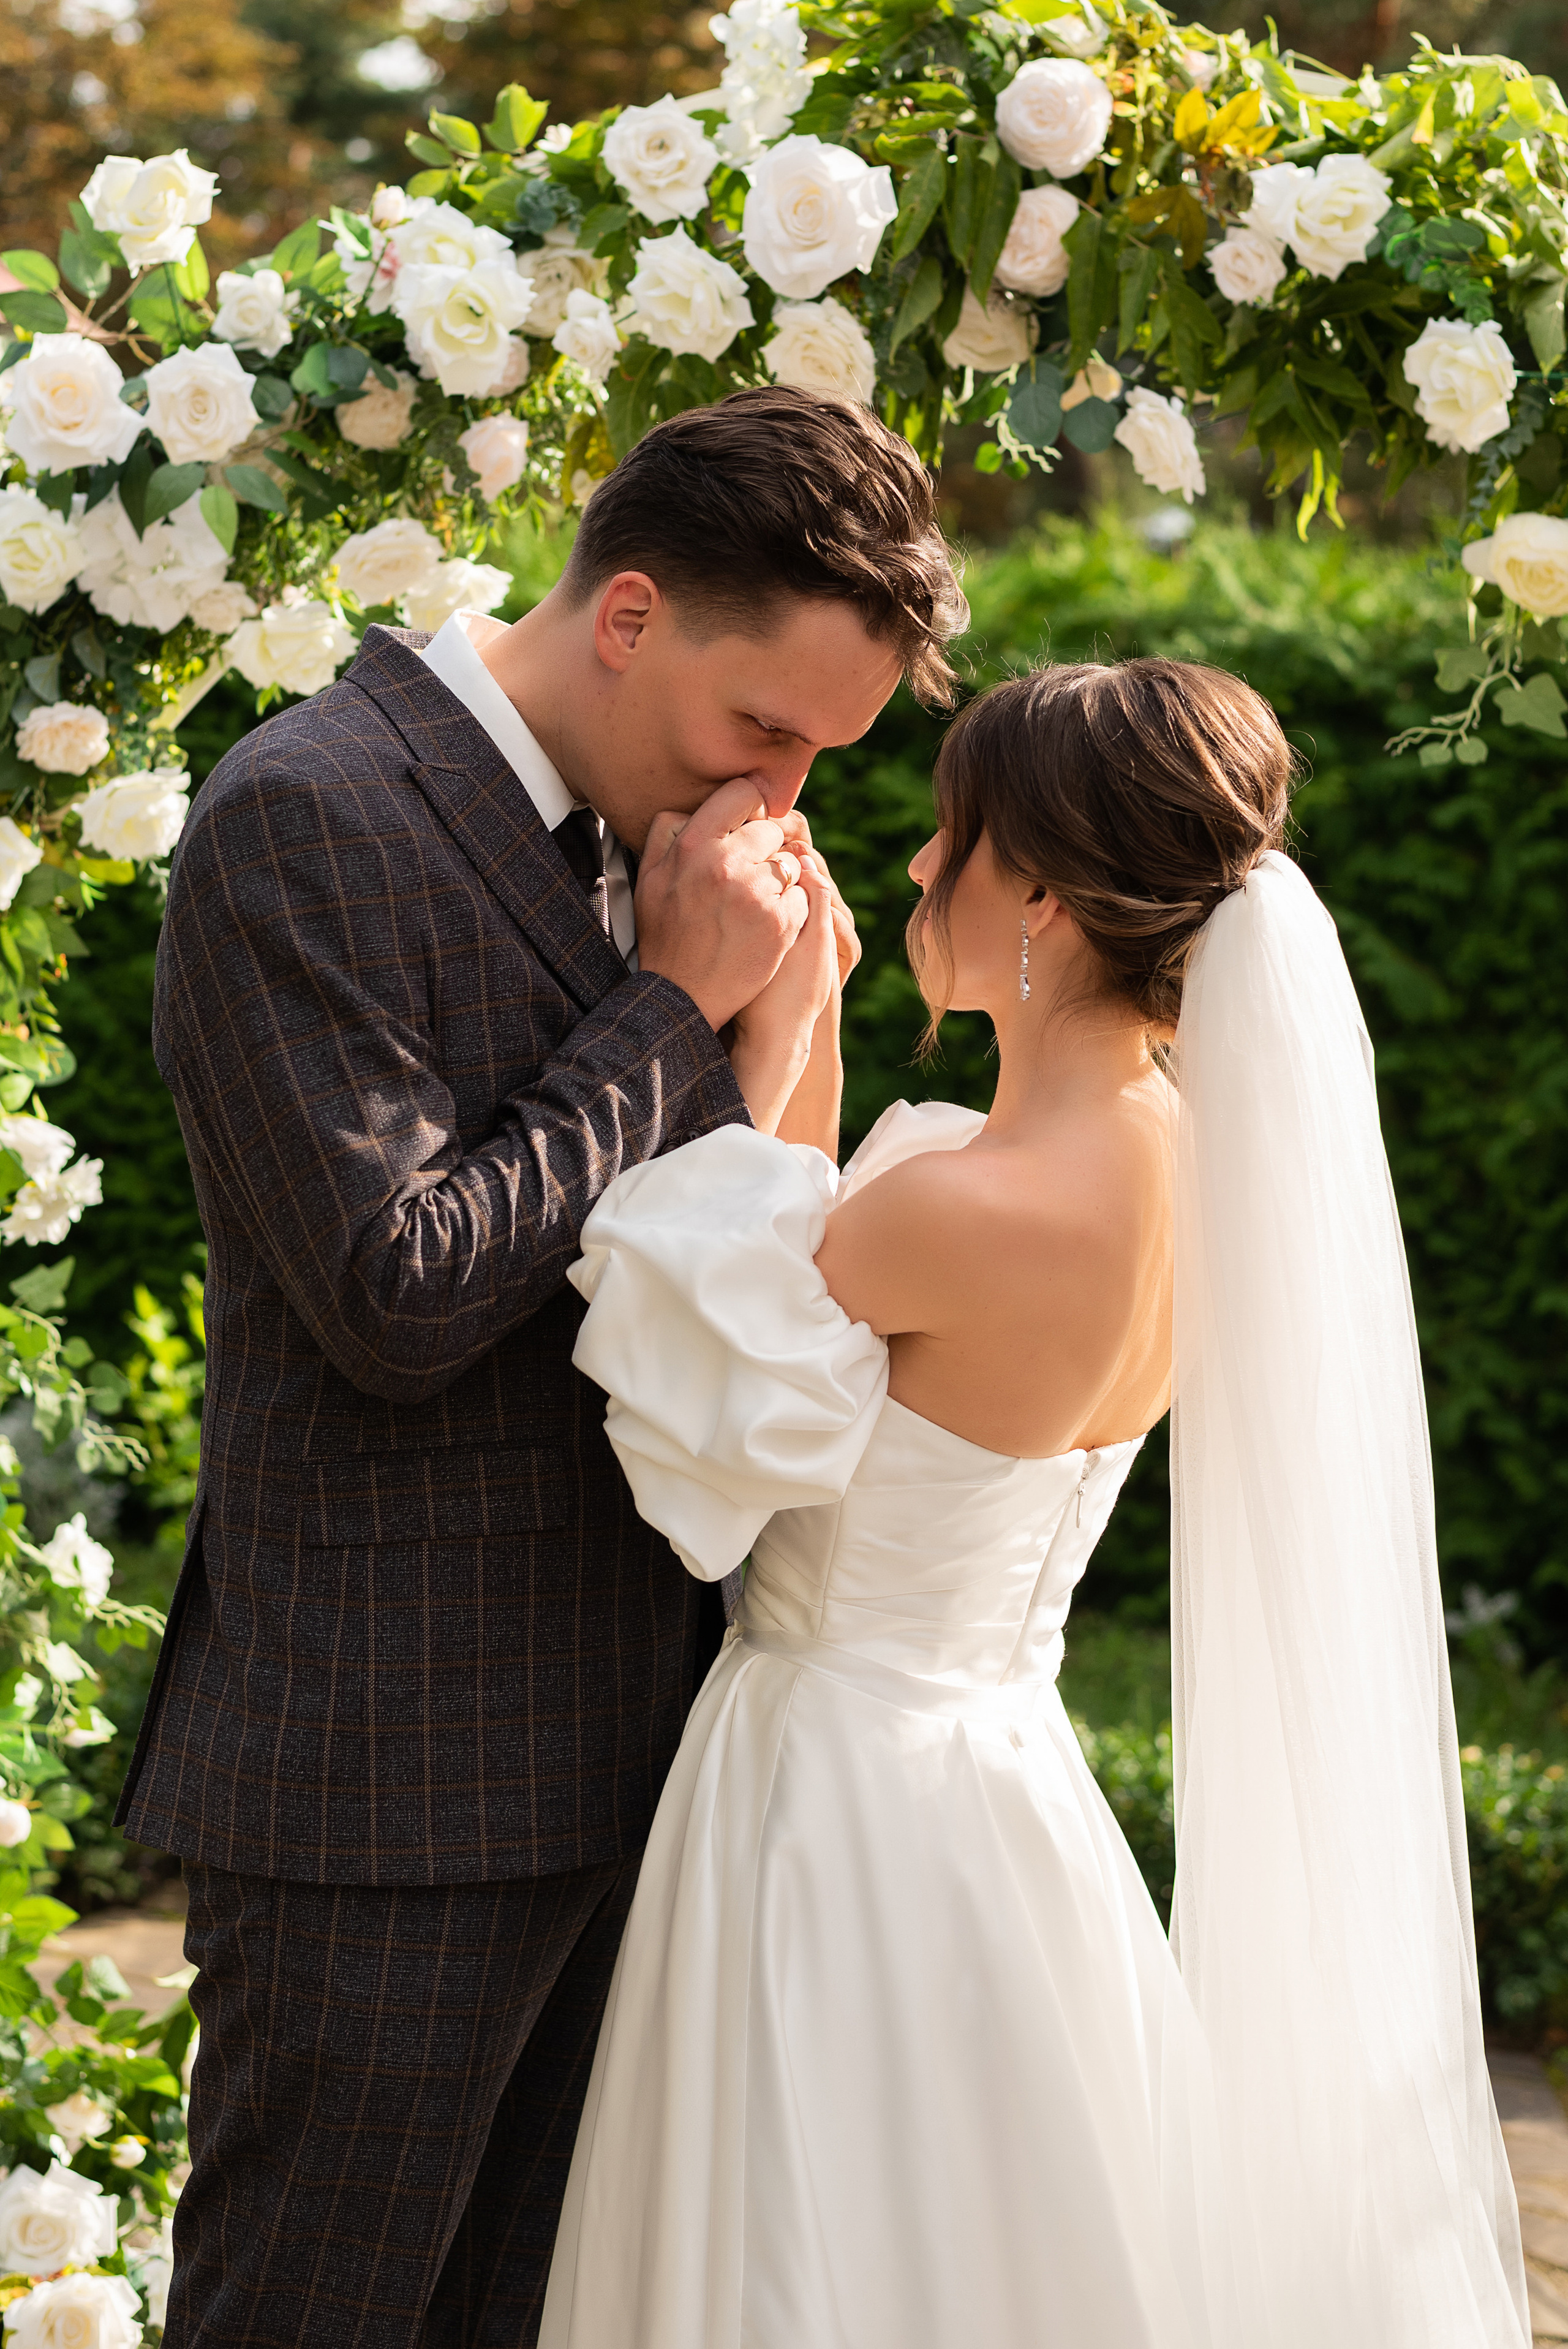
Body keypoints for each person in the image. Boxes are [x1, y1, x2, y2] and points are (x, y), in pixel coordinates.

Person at [113, 387, 968, 2347]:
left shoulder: (684, 847)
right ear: (633, 614)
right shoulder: (303, 814)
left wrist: (773, 1030)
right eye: (767, 731)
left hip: (645, 1767)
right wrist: (674, 1002)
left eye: (826, 759)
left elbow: (724, 1277)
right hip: (384, 1788)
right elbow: (395, 1288)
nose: (782, 801)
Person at [541, 657, 1530, 2348]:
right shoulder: (1194, 1171)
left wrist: (771, 1028)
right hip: (1007, 1777)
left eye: (953, 840)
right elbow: (832, 1308)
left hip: (826, 1791)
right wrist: (825, 1063)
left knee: (812, 2237)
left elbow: (703, 1389)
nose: (920, 872)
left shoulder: (963, 1206)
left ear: (1051, 898)